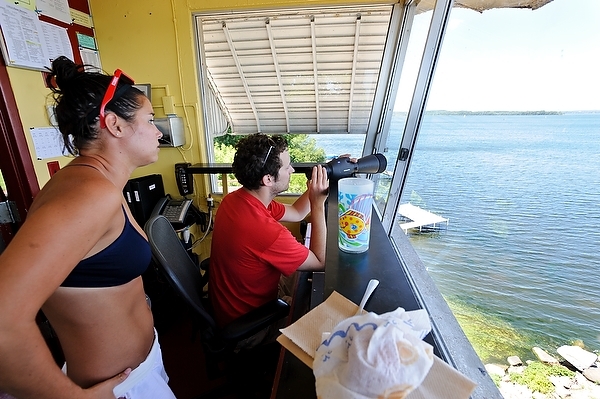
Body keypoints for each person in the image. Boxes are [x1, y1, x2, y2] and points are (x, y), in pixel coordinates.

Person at [0, 56, 176, 399]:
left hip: (139, 370)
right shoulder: (89, 195)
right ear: (115, 125)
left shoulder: (99, 182)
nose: (159, 131)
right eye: (151, 120)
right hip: (115, 388)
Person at [209, 134, 329, 337]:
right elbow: (320, 261)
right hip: (249, 327)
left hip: (228, 307)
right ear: (268, 179)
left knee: (300, 276)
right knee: (314, 309)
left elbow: (298, 212)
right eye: (287, 167)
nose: (292, 170)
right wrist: (318, 204)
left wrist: (321, 182)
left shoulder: (236, 200)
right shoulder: (266, 231)